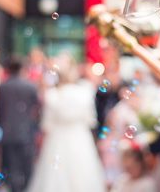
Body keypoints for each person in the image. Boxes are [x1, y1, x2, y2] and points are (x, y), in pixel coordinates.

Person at [27, 53, 106, 192]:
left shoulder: (52, 95)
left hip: (57, 139)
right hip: (80, 138)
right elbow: (91, 120)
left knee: (54, 177)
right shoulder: (85, 92)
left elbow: (47, 124)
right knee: (84, 173)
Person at [0, 57, 39, 192]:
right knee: (26, 165)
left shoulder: (3, 87)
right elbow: (35, 109)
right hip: (26, 131)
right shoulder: (30, 86)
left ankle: (14, 188)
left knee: (10, 166)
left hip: (7, 131)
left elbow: (1, 110)